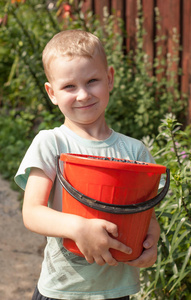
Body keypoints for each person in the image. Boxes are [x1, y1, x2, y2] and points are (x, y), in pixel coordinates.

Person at [15, 30, 161, 300]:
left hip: (117, 291)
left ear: (110, 79)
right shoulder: (52, 143)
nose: (83, 95)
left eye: (92, 81)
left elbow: (147, 215)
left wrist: (151, 242)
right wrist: (78, 228)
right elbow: (32, 213)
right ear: (52, 93)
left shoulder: (135, 150)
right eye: (69, 86)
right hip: (62, 291)